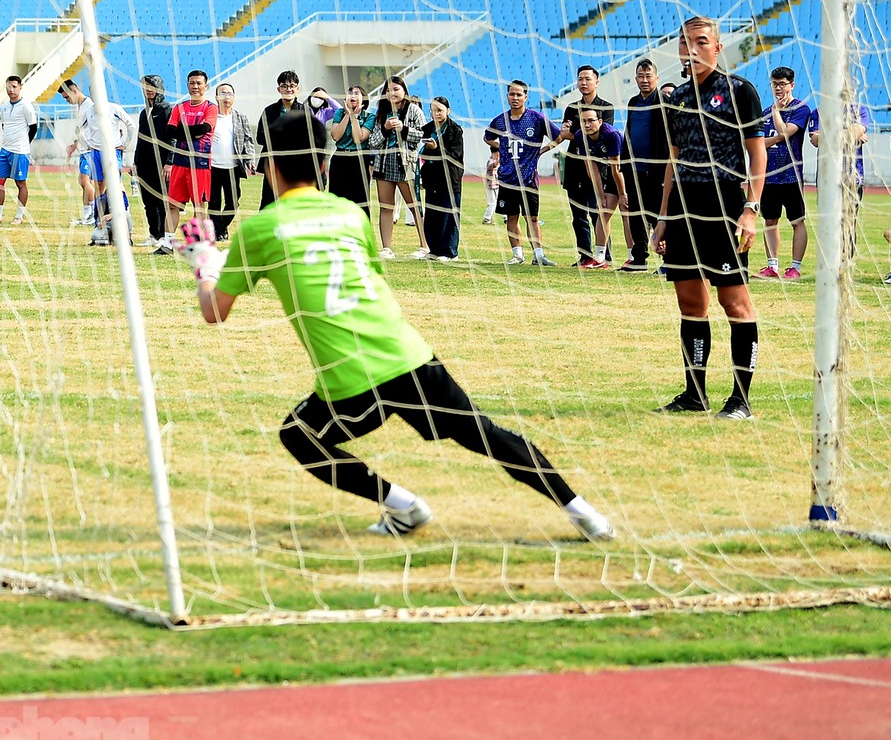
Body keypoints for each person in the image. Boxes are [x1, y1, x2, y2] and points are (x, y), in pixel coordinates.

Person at [176, 110, 614, 543]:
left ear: (269, 166)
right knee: (485, 435)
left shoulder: (263, 228)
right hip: (409, 352)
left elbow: (215, 311)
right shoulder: (351, 214)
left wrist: (204, 260)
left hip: (355, 375)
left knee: (300, 436)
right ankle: (586, 514)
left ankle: (403, 505)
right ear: (325, 164)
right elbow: (373, 283)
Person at [652, 16, 766, 420]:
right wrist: (663, 218)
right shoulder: (677, 98)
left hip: (724, 205)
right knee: (690, 302)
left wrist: (750, 210)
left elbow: (757, 153)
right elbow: (674, 158)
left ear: (717, 47)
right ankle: (694, 394)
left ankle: (740, 400)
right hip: (685, 206)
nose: (693, 49)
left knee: (733, 301)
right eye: (686, 42)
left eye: (701, 41)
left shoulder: (739, 91)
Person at [485, 80, 558, 266]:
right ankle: (517, 255)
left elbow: (559, 136)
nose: (515, 98)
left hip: (528, 178)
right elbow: (487, 137)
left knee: (532, 218)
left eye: (519, 94)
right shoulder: (500, 120)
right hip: (507, 179)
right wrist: (498, 147)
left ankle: (539, 255)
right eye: (512, 94)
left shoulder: (536, 118)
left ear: (526, 97)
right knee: (511, 217)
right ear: (507, 96)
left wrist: (542, 151)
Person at [757, 66, 815, 280]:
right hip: (769, 175)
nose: (778, 88)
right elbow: (757, 143)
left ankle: (795, 267)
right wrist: (773, 138)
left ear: (792, 85)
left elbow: (784, 132)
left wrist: (776, 114)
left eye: (782, 84)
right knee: (770, 220)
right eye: (775, 84)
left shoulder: (801, 109)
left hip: (791, 174)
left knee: (796, 221)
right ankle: (772, 266)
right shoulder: (764, 113)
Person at [61, 78, 134, 247]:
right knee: (99, 186)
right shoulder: (89, 111)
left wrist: (125, 143)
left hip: (112, 152)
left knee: (116, 185)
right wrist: (85, 143)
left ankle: (125, 227)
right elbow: (80, 129)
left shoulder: (114, 108)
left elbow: (130, 125)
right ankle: (99, 224)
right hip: (95, 153)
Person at [558, 65, 618, 268]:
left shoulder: (606, 107)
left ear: (596, 82)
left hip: (598, 168)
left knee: (598, 212)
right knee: (578, 216)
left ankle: (604, 255)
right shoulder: (571, 108)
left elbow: (600, 134)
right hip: (575, 165)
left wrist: (574, 131)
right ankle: (585, 255)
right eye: (580, 79)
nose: (584, 83)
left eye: (588, 79)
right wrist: (578, 131)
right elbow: (565, 134)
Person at [368, 76, 428, 260]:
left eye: (396, 89)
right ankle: (387, 248)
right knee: (386, 206)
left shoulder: (414, 110)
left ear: (404, 90)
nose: (392, 93)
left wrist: (404, 129)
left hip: (407, 163)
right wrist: (385, 128)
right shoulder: (381, 112)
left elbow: (424, 134)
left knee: (414, 205)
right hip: (384, 163)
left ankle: (425, 245)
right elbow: (373, 142)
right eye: (388, 90)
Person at [620, 59, 670, 272]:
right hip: (634, 169)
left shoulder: (665, 102)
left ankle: (669, 261)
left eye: (648, 76)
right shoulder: (633, 102)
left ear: (656, 78)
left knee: (657, 214)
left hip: (655, 170)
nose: (644, 80)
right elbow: (629, 132)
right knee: (636, 215)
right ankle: (639, 258)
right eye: (640, 76)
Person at [165, 70, 217, 243]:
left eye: (199, 83)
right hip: (180, 161)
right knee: (172, 204)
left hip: (200, 163)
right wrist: (191, 133)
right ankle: (167, 242)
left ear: (205, 86)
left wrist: (183, 132)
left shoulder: (211, 107)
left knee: (199, 206)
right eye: (192, 83)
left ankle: (198, 243)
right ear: (187, 85)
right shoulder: (179, 107)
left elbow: (204, 129)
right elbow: (170, 131)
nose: (195, 86)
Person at [575, 106, 626, 269]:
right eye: (583, 121)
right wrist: (600, 194)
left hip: (626, 173)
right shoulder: (579, 136)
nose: (587, 124)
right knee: (603, 211)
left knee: (627, 213)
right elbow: (592, 168)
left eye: (591, 120)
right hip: (610, 174)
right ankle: (599, 258)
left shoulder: (611, 135)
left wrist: (623, 194)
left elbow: (617, 168)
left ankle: (634, 257)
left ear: (600, 121)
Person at [207, 82, 256, 242]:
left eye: (229, 93)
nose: (226, 97)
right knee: (213, 203)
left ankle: (220, 228)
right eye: (222, 93)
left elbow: (248, 140)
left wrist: (250, 160)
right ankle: (219, 233)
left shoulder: (240, 118)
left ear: (233, 97)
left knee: (233, 202)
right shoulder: (210, 116)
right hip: (212, 167)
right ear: (216, 97)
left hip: (233, 167)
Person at [418, 96, 465, 261]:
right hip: (432, 178)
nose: (436, 113)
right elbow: (423, 153)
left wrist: (437, 148)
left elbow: (455, 155)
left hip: (450, 179)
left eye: (440, 110)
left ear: (448, 111)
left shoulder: (455, 130)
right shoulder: (427, 128)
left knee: (448, 215)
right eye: (433, 110)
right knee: (432, 215)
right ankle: (434, 250)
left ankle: (450, 252)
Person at [0, 75, 38, 225]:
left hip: (20, 150)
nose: (11, 90)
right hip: (5, 149)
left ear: (20, 87)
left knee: (20, 183)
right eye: (8, 87)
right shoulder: (4, 106)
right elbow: (4, 125)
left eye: (14, 87)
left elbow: (33, 127)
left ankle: (19, 216)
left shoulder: (26, 105)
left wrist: (24, 143)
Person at [132, 75, 173, 239]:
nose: (148, 90)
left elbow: (173, 138)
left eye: (152, 86)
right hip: (145, 164)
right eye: (145, 86)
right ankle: (153, 234)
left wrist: (169, 162)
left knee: (162, 200)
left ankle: (164, 235)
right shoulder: (144, 113)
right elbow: (140, 139)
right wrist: (135, 162)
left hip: (161, 163)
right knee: (147, 201)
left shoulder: (167, 109)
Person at [256, 70, 304, 210]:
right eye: (284, 86)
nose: (288, 89)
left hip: (296, 166)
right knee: (268, 202)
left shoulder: (303, 111)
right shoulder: (269, 111)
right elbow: (260, 136)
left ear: (297, 89)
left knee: (293, 204)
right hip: (273, 165)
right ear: (279, 89)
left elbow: (307, 137)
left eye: (292, 85)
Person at [327, 85, 374, 208]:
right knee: (337, 198)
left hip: (359, 159)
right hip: (340, 157)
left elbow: (358, 139)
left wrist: (355, 117)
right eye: (350, 93)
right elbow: (336, 136)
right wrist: (348, 114)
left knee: (359, 198)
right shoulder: (339, 113)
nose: (352, 96)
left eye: (356, 93)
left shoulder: (369, 117)